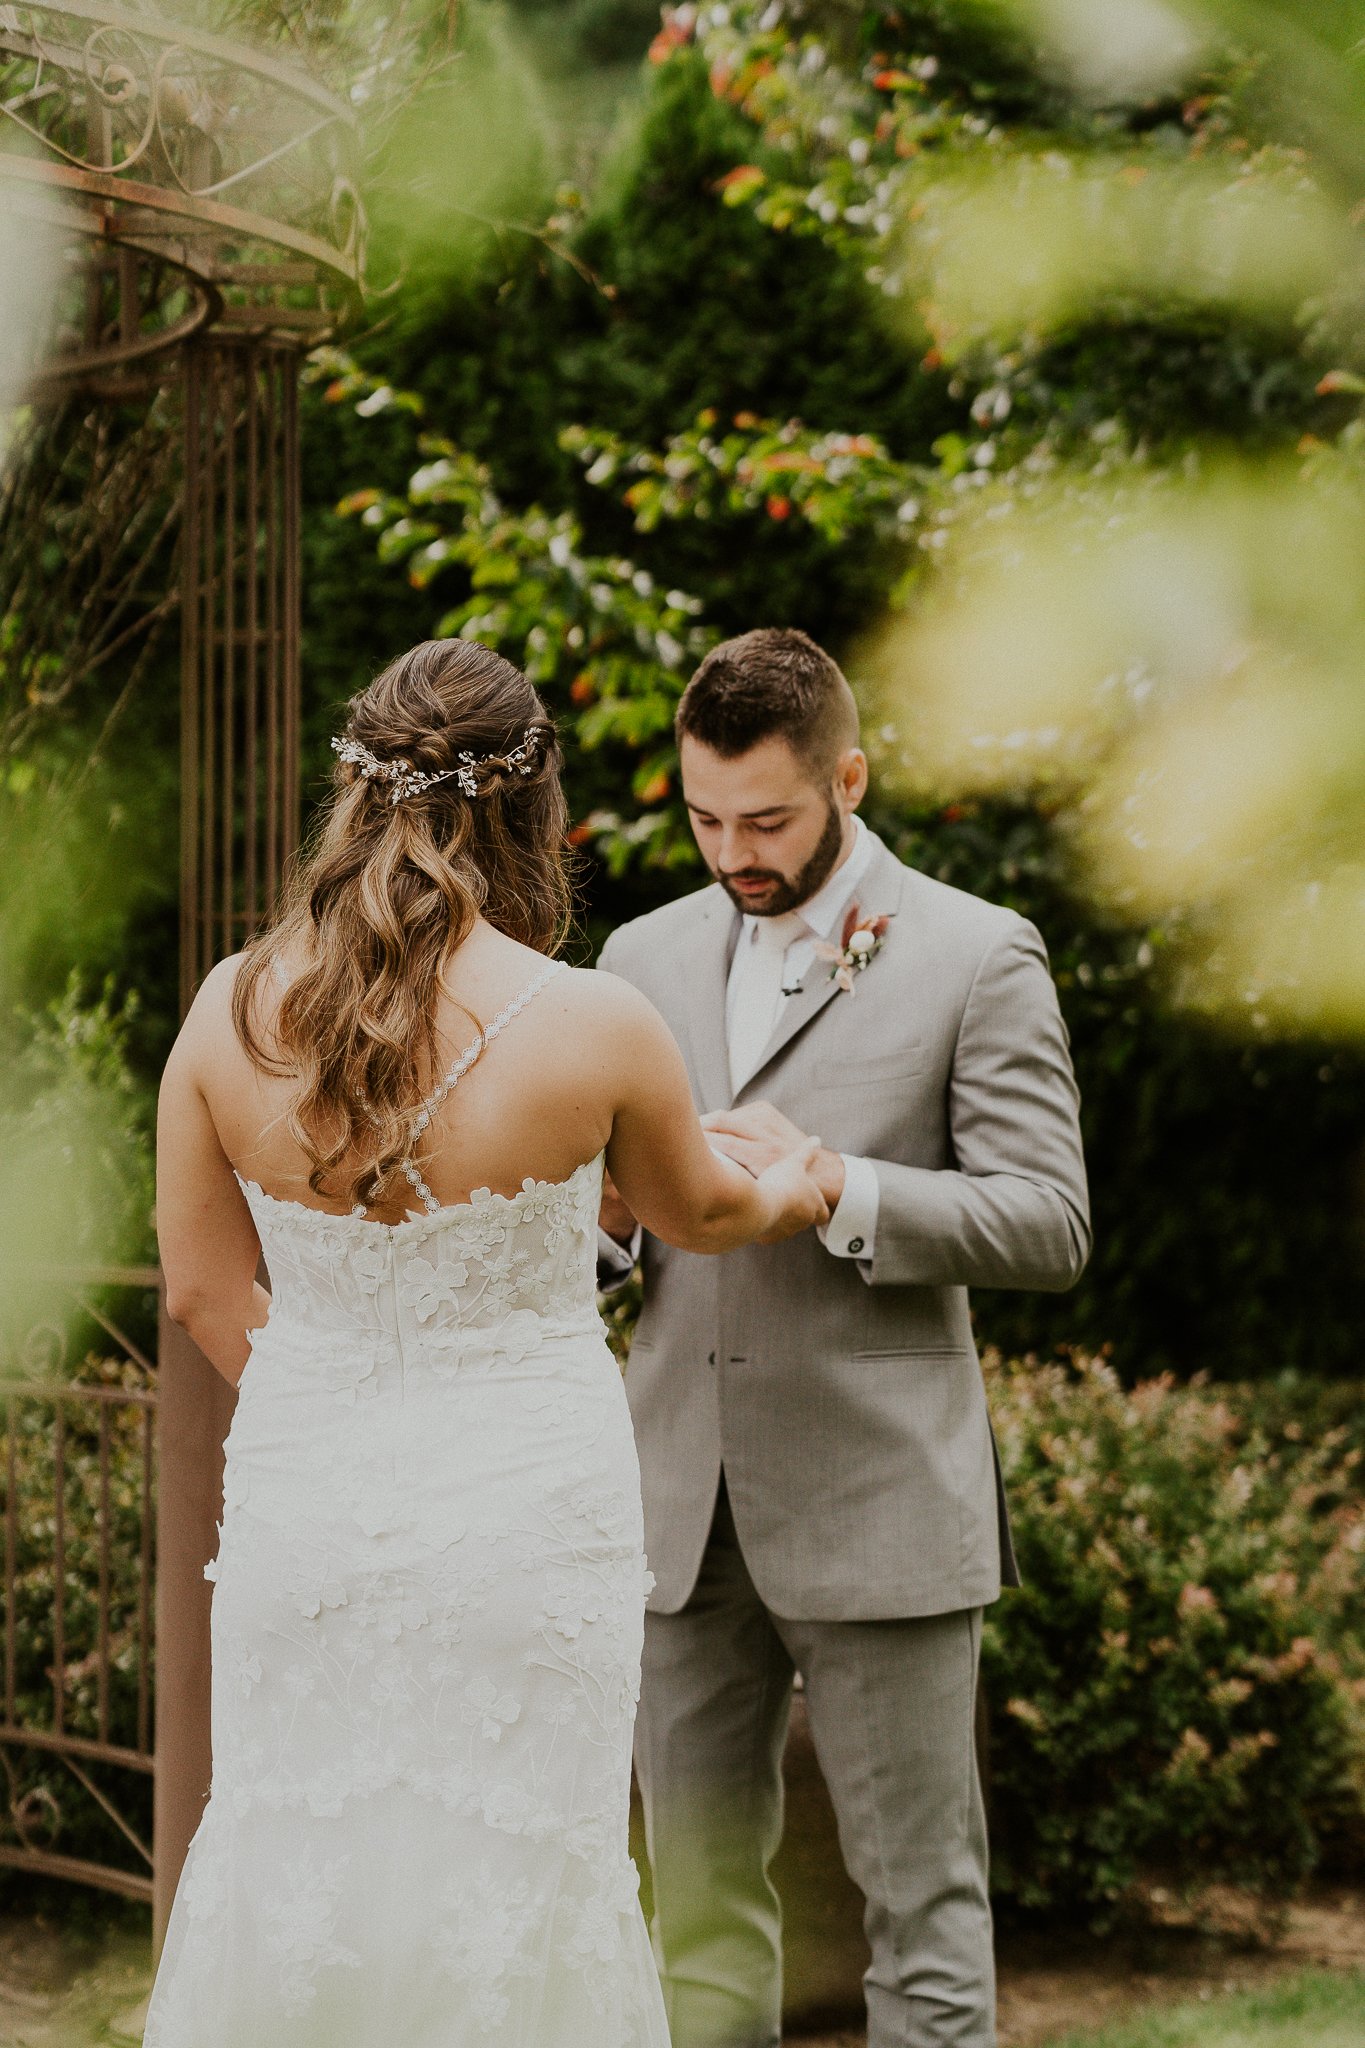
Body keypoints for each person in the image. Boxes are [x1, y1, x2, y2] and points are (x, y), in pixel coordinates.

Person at [146, 636, 828, 2048]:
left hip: (308, 1520)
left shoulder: (226, 1011)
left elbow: (204, 1297)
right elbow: (696, 1212)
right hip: (526, 1513)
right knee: (519, 1871)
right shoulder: (595, 1023)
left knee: (297, 1861)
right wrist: (799, 1180)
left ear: (351, 795)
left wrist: (344, 1415)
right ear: (534, 809)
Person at [597, 628, 1091, 2048]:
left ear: (849, 779)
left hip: (880, 1505)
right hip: (679, 1512)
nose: (732, 851)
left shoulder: (976, 953)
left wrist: (843, 1189)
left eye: (768, 820)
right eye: (703, 818)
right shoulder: (637, 958)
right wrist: (614, 1225)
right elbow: (618, 1228)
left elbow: (1048, 1223)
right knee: (691, 1919)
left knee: (921, 1923)